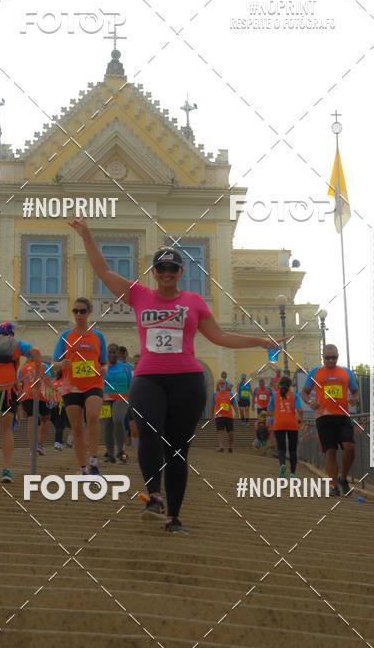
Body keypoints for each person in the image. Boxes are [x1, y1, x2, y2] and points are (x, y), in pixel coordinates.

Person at [68, 217, 273, 533]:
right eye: (160, 269)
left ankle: (174, 516)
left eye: (172, 269)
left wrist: (259, 341)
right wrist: (87, 236)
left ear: (180, 273)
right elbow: (103, 272)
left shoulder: (193, 302)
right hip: (148, 378)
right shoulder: (139, 295)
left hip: (187, 381)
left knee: (177, 449)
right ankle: (153, 496)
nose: (166, 274)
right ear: (154, 273)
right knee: (149, 433)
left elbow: (219, 337)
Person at [52, 297, 107, 476]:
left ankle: (94, 460)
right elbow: (54, 364)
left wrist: (103, 369)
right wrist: (63, 364)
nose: (79, 314)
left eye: (82, 311)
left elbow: (104, 362)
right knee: (76, 426)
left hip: (93, 383)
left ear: (89, 312)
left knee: (92, 416)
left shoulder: (98, 336)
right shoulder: (65, 336)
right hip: (71, 386)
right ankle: (83, 467)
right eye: (75, 311)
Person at [0, 322, 41, 483]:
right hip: (8, 389)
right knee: (6, 429)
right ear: (12, 334)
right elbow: (36, 352)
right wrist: (37, 376)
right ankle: (7, 469)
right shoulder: (16, 344)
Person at [302, 344, 359, 497]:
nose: (331, 360)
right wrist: (310, 402)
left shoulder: (346, 372)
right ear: (323, 357)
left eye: (334, 357)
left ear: (338, 356)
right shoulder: (316, 372)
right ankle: (334, 485)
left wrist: (355, 398)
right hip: (323, 417)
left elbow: (355, 391)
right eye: (327, 358)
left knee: (349, 447)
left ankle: (343, 478)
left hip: (343, 416)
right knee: (330, 451)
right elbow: (304, 393)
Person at [268, 375, 303, 478]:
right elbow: (300, 410)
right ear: (290, 385)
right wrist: (301, 420)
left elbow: (269, 411)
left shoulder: (275, 396)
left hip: (279, 423)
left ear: (279, 385)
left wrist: (276, 413)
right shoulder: (294, 395)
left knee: (281, 448)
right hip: (292, 424)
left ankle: (282, 464)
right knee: (292, 450)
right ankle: (292, 473)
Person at [103, 342, 132, 463]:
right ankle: (110, 454)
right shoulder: (103, 367)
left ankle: (120, 451)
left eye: (114, 352)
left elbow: (130, 383)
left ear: (118, 353)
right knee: (107, 426)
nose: (112, 354)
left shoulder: (126, 367)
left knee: (118, 420)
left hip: (122, 397)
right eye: (109, 352)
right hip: (104, 398)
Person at [18, 358, 53, 456]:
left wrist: (21, 404)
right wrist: (51, 398)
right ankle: (40, 445)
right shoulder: (44, 366)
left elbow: (19, 386)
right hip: (42, 395)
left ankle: (33, 448)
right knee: (45, 419)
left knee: (31, 420)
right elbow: (49, 382)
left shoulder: (22, 368)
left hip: (27, 396)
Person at [212, 378, 238, 452]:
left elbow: (234, 404)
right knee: (220, 431)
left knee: (231, 433)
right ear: (218, 385)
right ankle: (221, 447)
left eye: (223, 383)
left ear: (226, 385)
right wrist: (212, 416)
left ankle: (230, 447)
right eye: (220, 383)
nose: (222, 385)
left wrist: (237, 412)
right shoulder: (215, 394)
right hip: (219, 416)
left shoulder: (230, 394)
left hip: (229, 416)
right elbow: (212, 405)